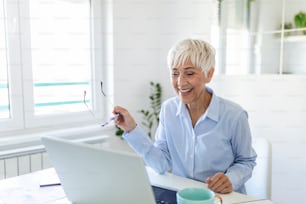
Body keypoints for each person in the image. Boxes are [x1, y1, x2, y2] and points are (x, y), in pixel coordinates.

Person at [113, 38, 257, 194]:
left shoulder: (234, 115)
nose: (180, 82)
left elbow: (246, 161)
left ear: (209, 74)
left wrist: (231, 179)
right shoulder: (168, 110)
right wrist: (131, 129)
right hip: (183, 197)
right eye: (175, 73)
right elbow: (161, 164)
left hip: (222, 198)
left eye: (189, 73)